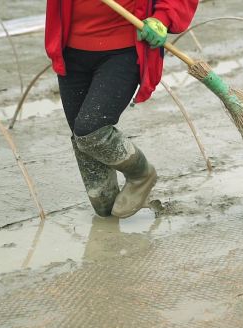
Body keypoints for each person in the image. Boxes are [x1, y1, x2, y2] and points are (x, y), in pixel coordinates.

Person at [45, 0, 199, 218]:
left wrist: (162, 18)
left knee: (90, 129)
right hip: (71, 49)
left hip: (123, 49)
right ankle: (108, 223)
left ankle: (141, 174)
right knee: (102, 203)